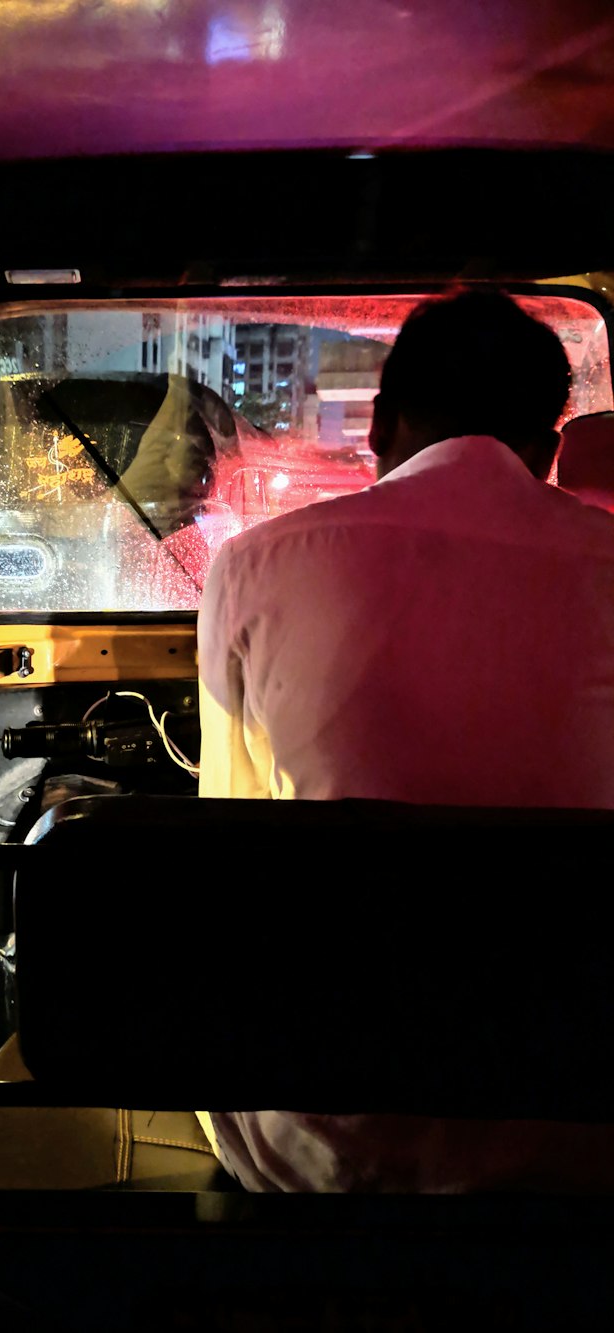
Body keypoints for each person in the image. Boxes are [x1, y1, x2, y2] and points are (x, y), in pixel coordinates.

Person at [196, 286, 614, 1192]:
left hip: (320, 1148)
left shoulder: (252, 566)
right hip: (580, 1135)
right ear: (547, 450)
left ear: (381, 427)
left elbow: (226, 859)